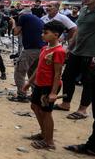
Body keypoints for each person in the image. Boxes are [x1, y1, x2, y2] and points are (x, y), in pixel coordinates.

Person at [22, 21, 67, 150]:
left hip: (49, 86)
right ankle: (43, 133)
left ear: (56, 35)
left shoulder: (59, 51)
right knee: (34, 106)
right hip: (40, 84)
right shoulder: (44, 48)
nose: (42, 35)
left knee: (46, 112)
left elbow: (57, 74)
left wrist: (53, 93)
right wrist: (29, 83)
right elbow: (39, 68)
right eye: (43, 32)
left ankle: (49, 141)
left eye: (46, 33)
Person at [57, 0, 95, 123]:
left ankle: (82, 109)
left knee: (88, 82)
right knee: (67, 76)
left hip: (91, 53)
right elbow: (78, 31)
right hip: (76, 51)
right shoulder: (84, 10)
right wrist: (69, 48)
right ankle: (65, 103)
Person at [9, 10, 45, 103]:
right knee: (32, 72)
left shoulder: (24, 17)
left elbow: (15, 32)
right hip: (41, 49)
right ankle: (35, 94)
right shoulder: (38, 19)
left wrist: (13, 23)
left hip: (31, 49)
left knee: (19, 71)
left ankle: (22, 95)